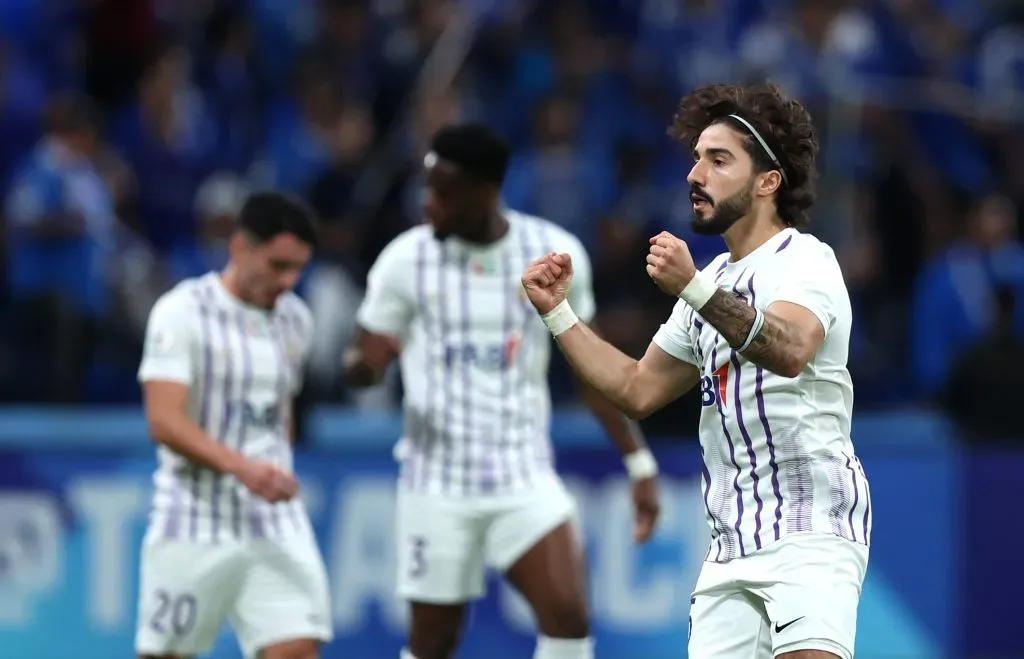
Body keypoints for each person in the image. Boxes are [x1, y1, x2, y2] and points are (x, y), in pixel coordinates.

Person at [521, 83, 872, 659]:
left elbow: (788, 350)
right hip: (730, 545)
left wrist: (692, 286)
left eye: (718, 159)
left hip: (812, 529)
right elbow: (636, 389)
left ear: (768, 181)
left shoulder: (806, 261)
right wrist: (557, 313)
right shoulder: (709, 284)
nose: (695, 174)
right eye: (695, 158)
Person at [344, 123, 661, 659]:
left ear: (485, 191)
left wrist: (638, 463)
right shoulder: (405, 259)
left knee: (569, 616)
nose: (430, 205)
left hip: (522, 475)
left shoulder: (553, 253)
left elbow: (592, 370)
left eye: (443, 193)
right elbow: (365, 354)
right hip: (436, 483)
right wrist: (364, 370)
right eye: (428, 189)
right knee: (433, 643)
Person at [135, 191, 332, 659]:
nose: (289, 281)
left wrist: (272, 468)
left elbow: (278, 411)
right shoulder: (181, 312)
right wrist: (244, 468)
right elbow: (163, 420)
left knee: (297, 649)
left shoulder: (296, 321)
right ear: (240, 247)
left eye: (299, 268)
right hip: (193, 517)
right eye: (278, 265)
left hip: (273, 522)